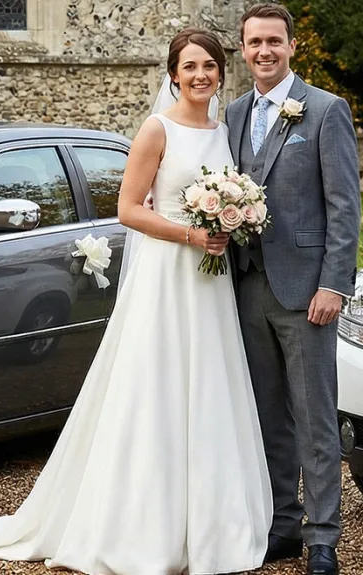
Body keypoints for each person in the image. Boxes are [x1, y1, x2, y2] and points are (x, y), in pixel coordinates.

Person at [0, 28, 274, 575]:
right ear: (172, 73)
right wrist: (191, 235)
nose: (200, 75)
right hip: (169, 273)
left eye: (210, 65)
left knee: (209, 382)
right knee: (157, 386)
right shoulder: (157, 129)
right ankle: (139, 525)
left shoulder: (224, 130)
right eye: (190, 66)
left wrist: (230, 219)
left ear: (223, 72)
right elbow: (129, 210)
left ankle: (210, 523)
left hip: (210, 279)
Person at [228, 4, 361, 575]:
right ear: (243, 47)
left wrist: (335, 283)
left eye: (274, 42)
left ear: (292, 46)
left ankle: (324, 538)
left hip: (307, 292)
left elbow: (344, 206)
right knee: (265, 416)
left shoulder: (326, 110)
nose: (264, 51)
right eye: (255, 42)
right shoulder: (230, 114)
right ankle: (284, 522)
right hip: (244, 287)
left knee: (314, 418)